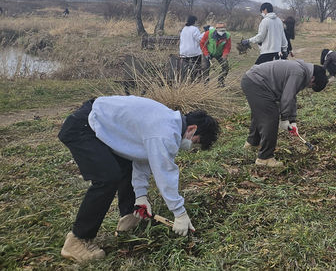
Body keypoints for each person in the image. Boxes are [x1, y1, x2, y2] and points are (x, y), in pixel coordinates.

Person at [57, 95, 220, 263]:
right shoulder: (166, 132)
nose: (191, 147)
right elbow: (165, 174)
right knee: (107, 178)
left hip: (100, 125)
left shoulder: (167, 121)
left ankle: (129, 215)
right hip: (83, 127)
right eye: (196, 142)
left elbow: (140, 157)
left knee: (125, 165)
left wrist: (141, 196)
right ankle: (78, 240)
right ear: (192, 129)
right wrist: (180, 213)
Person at [241, 59, 328, 167]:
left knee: (261, 112)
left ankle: (252, 143)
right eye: (311, 86)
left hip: (253, 80)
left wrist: (292, 120)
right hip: (256, 83)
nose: (307, 87)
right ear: (313, 78)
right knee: (270, 117)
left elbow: (292, 96)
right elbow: (287, 98)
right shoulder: (299, 73)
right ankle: (265, 158)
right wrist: (284, 119)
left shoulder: (302, 70)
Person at [200, 22, 232, 87]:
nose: (222, 32)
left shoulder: (227, 36)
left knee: (225, 67)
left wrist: (224, 55)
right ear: (216, 29)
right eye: (220, 30)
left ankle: (221, 82)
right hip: (208, 52)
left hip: (220, 53)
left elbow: (227, 47)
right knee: (205, 67)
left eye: (223, 30)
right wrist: (206, 53)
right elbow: (202, 43)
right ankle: (206, 84)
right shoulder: (208, 33)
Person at [179, 15, 203, 82]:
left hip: (183, 51)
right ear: (194, 21)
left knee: (185, 67)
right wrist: (205, 34)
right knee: (197, 66)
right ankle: (194, 79)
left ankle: (184, 79)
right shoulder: (195, 29)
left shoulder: (184, 29)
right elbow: (199, 39)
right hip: (193, 52)